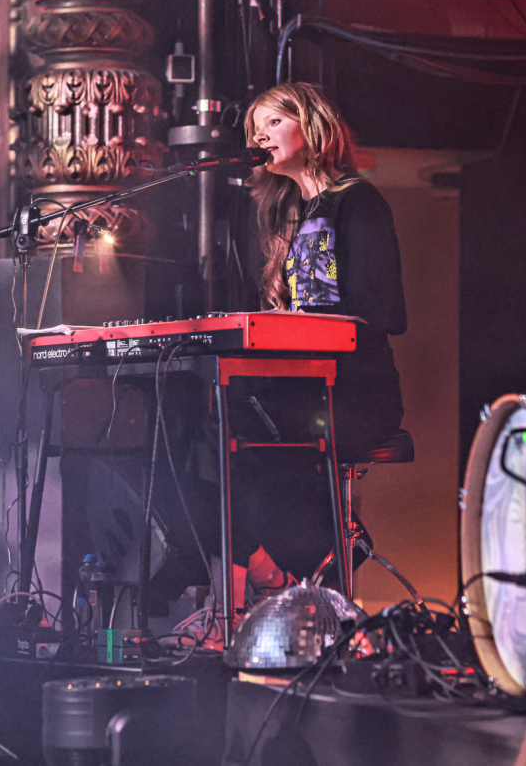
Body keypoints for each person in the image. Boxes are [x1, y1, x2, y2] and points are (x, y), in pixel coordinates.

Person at [173, 83, 406, 644]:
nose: (259, 137)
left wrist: (298, 327)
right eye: (254, 129)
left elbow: (381, 312)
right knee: (199, 435)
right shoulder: (293, 214)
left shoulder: (358, 201)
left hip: (355, 391)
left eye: (273, 123)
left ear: (314, 123)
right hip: (302, 389)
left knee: (231, 437)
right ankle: (262, 582)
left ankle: (234, 608)